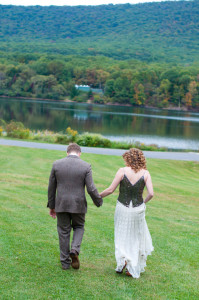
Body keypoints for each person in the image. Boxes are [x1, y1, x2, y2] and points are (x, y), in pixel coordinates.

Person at [47, 143, 103, 270]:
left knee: (63, 231)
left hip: (61, 203)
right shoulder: (86, 166)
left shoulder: (56, 164)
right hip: (78, 204)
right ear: (79, 153)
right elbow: (91, 188)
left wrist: (52, 206)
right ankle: (75, 249)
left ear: (67, 152)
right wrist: (98, 201)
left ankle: (65, 263)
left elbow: (51, 188)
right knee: (79, 227)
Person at [100, 148, 154, 278]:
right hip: (138, 209)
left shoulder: (122, 171)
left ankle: (123, 259)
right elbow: (151, 193)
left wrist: (97, 196)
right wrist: (143, 202)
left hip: (122, 207)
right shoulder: (146, 173)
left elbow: (111, 189)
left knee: (121, 234)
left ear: (128, 158)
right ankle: (131, 267)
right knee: (135, 236)